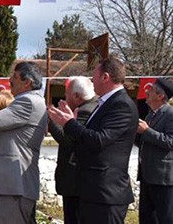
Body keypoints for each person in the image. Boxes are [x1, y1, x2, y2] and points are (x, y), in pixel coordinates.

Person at [48, 57, 138, 224]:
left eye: (94, 75)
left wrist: (68, 123)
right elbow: (84, 140)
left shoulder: (121, 105)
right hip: (92, 191)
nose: (92, 81)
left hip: (106, 193)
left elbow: (99, 140)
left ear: (105, 77)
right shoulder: (105, 103)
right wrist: (70, 124)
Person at [0, 62, 48, 224]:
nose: (10, 79)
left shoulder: (29, 102)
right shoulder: (26, 100)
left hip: (14, 185)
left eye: (15, 76)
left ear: (27, 82)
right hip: (9, 184)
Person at [47, 77, 97, 224]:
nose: (65, 97)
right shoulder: (93, 106)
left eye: (67, 93)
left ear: (76, 96)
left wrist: (52, 120)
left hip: (76, 181)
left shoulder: (85, 111)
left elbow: (68, 140)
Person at [135, 78, 173, 223]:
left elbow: (171, 142)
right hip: (147, 175)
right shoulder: (150, 114)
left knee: (165, 218)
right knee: (147, 218)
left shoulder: (171, 115)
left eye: (151, 90)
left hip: (163, 178)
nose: (147, 92)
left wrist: (147, 131)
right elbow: (146, 142)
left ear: (160, 96)